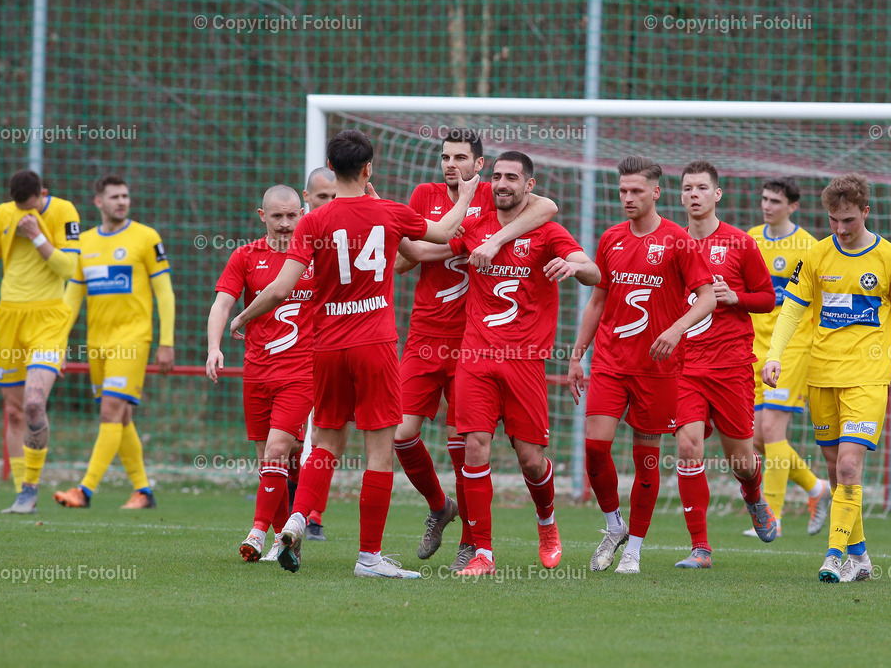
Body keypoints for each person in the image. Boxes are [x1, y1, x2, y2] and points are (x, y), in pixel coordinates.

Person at [230, 129, 477, 578]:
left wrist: (243, 316)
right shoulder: (389, 211)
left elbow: (281, 288)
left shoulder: (313, 222)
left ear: (332, 167)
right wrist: (466, 194)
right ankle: (369, 558)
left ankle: (296, 520)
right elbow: (443, 231)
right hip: (374, 346)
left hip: (326, 348)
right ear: (368, 169)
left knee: (325, 444)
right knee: (379, 452)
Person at [401, 150, 600, 576]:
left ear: (529, 185)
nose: (503, 184)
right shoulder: (475, 226)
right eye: (497, 177)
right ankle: (484, 553)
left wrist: (574, 266)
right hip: (476, 355)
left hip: (525, 361)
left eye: (512, 177)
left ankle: (546, 520)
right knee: (474, 445)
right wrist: (386, 222)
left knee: (531, 460)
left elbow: (594, 272)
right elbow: (421, 251)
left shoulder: (547, 231)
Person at [763, 173, 891, 583]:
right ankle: (859, 556)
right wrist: (774, 356)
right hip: (821, 376)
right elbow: (791, 310)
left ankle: (834, 555)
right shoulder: (816, 255)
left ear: (865, 212)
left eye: (849, 220)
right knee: (836, 469)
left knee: (850, 466)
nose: (840, 229)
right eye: (834, 220)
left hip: (868, 378)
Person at [568, 156, 715, 575]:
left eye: (636, 191)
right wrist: (577, 354)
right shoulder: (611, 238)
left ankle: (634, 547)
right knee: (595, 448)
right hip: (611, 362)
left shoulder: (678, 241)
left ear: (656, 192)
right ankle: (614, 525)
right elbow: (597, 300)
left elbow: (707, 297)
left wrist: (676, 329)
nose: (628, 198)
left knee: (646, 460)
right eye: (622, 191)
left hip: (657, 368)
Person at [672, 160, 777, 569]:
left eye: (701, 188)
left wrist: (735, 297)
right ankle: (700, 547)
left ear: (717, 194)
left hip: (731, 366)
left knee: (742, 461)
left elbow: (767, 298)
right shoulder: (671, 242)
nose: (694, 195)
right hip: (684, 366)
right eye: (687, 188)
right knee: (687, 446)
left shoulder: (740, 243)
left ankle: (754, 496)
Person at [0, 170, 80, 513]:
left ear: (43, 193)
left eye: (32, 205)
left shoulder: (64, 211)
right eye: (20, 207)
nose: (26, 212)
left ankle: (31, 486)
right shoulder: (1, 214)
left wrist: (37, 236)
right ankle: (23, 495)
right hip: (7, 320)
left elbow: (68, 268)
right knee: (13, 412)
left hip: (48, 319)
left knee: (34, 404)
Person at [206, 184, 314, 561]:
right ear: (262, 216)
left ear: (302, 214)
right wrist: (214, 346)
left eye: (292, 215)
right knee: (269, 461)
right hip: (257, 370)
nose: (285, 223)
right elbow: (222, 304)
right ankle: (284, 544)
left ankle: (256, 532)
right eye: (277, 216)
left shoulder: (317, 255)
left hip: (302, 371)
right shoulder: (246, 256)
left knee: (277, 449)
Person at [52, 175, 174, 510]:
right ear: (98, 202)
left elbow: (164, 292)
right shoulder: (84, 243)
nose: (122, 202)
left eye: (125, 196)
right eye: (115, 197)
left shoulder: (146, 237)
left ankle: (84, 490)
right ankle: (143, 491)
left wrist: (166, 341)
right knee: (121, 417)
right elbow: (71, 299)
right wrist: (57, 344)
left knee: (110, 411)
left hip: (132, 339)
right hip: (97, 343)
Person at [745, 178, 829, 538]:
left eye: (775, 201)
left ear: (792, 206)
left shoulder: (808, 246)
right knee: (754, 438)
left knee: (772, 430)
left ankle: (773, 517)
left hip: (792, 348)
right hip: (753, 348)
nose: (767, 205)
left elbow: (818, 302)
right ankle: (816, 487)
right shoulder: (750, 239)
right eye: (764, 199)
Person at [294, 166, 336, 541]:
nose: (330, 203)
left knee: (324, 434)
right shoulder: (294, 239)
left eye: (336, 196)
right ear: (307, 198)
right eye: (323, 196)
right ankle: (287, 511)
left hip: (328, 350)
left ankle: (312, 515)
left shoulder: (344, 239)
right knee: (287, 443)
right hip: (287, 357)